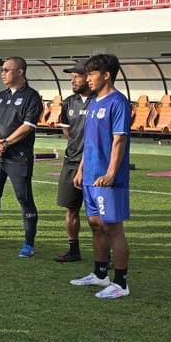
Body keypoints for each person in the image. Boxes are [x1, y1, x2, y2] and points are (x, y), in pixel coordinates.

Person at [70, 54, 133, 299]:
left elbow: (119, 141)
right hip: (90, 176)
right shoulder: (94, 102)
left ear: (106, 75)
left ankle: (121, 283)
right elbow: (89, 142)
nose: (88, 79)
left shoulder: (118, 102)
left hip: (108, 179)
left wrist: (110, 173)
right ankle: (99, 274)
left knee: (113, 228)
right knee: (95, 225)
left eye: (92, 74)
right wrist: (82, 168)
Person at [0, 56, 43, 257]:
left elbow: (27, 127)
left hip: (18, 157)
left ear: (20, 71)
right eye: (2, 70)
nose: (2, 73)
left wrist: (5, 143)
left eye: (7, 69)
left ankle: (29, 244)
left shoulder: (32, 96)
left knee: (24, 199)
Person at [55, 61, 92, 263]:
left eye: (76, 76)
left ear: (89, 77)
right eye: (71, 77)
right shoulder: (69, 102)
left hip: (95, 164)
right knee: (71, 209)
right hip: (71, 162)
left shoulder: (99, 101)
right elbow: (67, 131)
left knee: (97, 213)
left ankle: (106, 253)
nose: (73, 80)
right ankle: (73, 249)